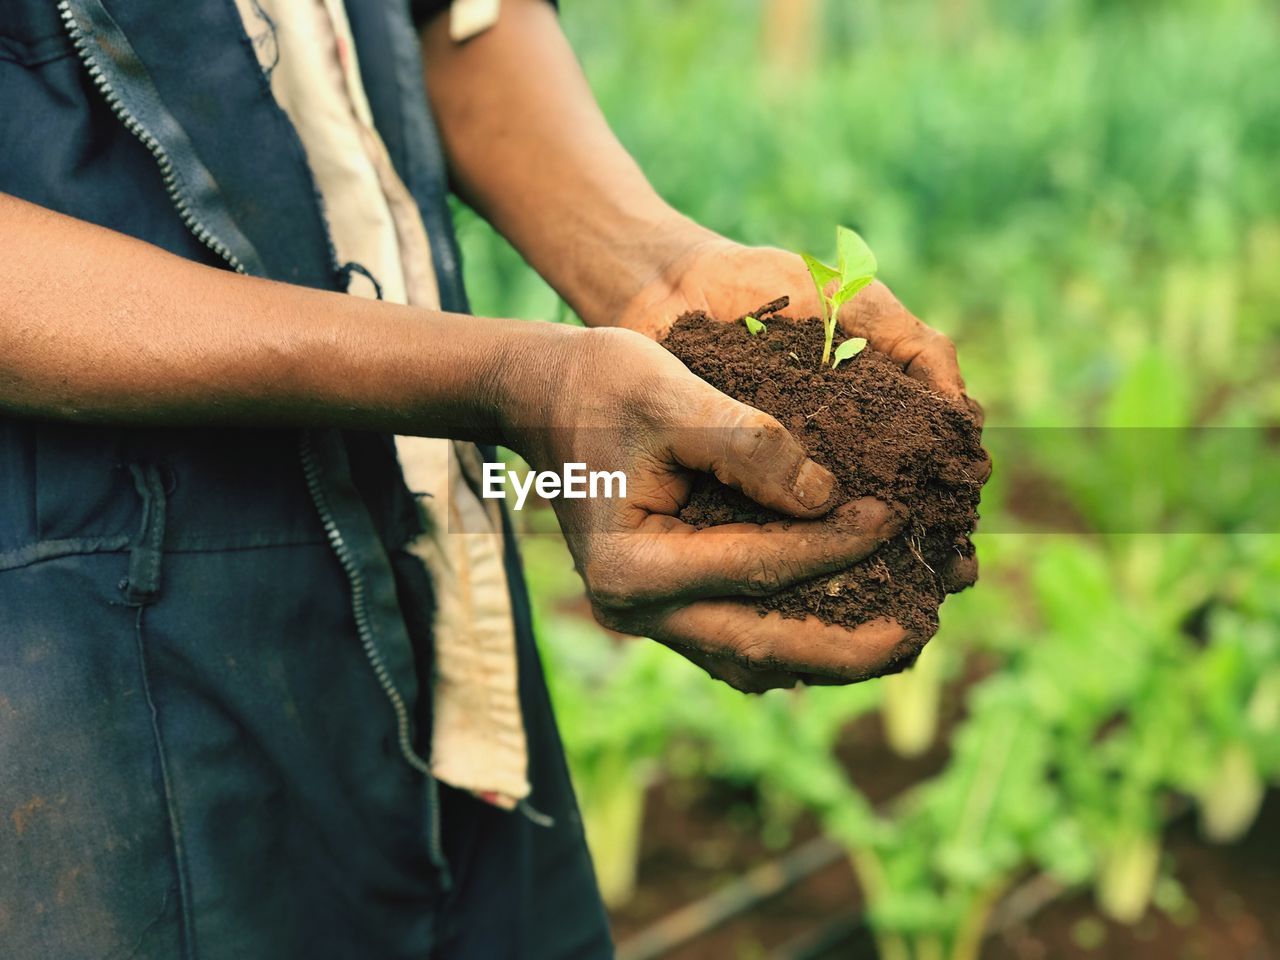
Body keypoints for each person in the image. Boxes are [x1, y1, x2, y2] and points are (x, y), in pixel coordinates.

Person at [0, 0, 979, 957]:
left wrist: (650, 271)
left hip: (442, 589)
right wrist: (500, 380)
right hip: (89, 641)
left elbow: (449, 18)